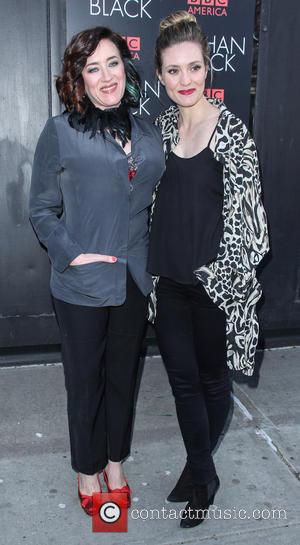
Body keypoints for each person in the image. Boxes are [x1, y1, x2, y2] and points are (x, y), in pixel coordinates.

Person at [29, 26, 165, 516]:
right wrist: (71, 253)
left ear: (124, 68)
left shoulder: (148, 131)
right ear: (78, 78)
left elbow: (157, 200)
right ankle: (87, 470)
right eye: (93, 67)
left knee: (121, 379)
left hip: (134, 280)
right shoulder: (60, 131)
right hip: (81, 284)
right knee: (85, 382)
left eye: (112, 63)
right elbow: (41, 209)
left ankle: (114, 463)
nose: (105, 76)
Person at [147, 11, 269, 528]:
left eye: (193, 67)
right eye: (173, 71)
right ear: (160, 76)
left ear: (208, 67)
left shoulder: (232, 131)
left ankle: (198, 471)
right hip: (168, 280)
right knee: (183, 385)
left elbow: (252, 226)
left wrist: (225, 280)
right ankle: (203, 472)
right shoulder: (158, 128)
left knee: (214, 384)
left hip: (215, 287)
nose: (185, 80)